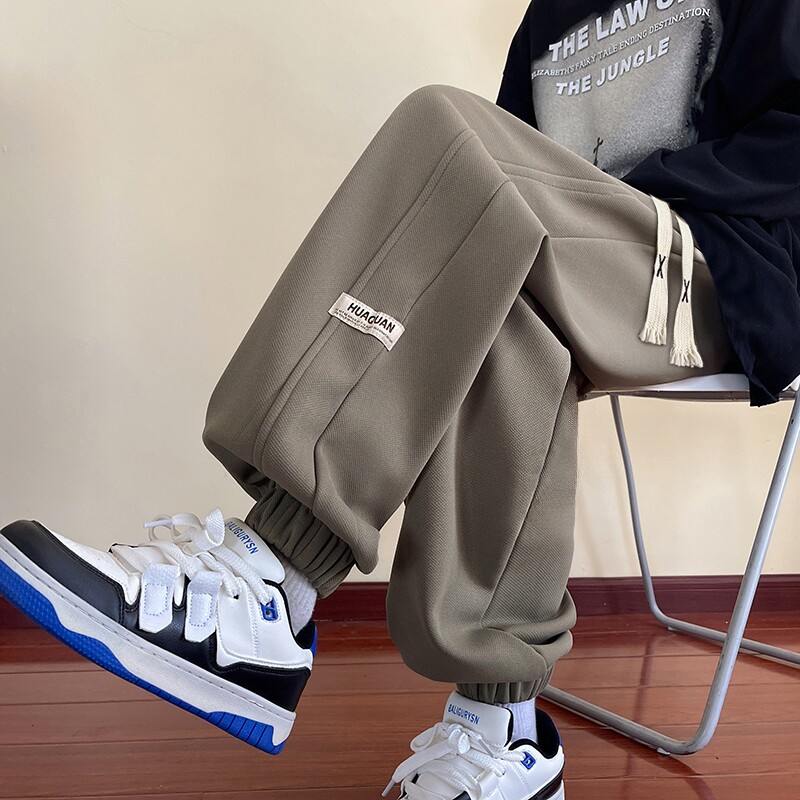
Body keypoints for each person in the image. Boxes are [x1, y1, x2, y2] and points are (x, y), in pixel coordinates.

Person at [0, 1, 797, 798]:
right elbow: (507, 165)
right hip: (584, 257)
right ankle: (503, 732)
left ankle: (276, 576)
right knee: (499, 288)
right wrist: (564, 203)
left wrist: (606, 198)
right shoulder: (553, 11)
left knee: (450, 133)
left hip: (725, 268)